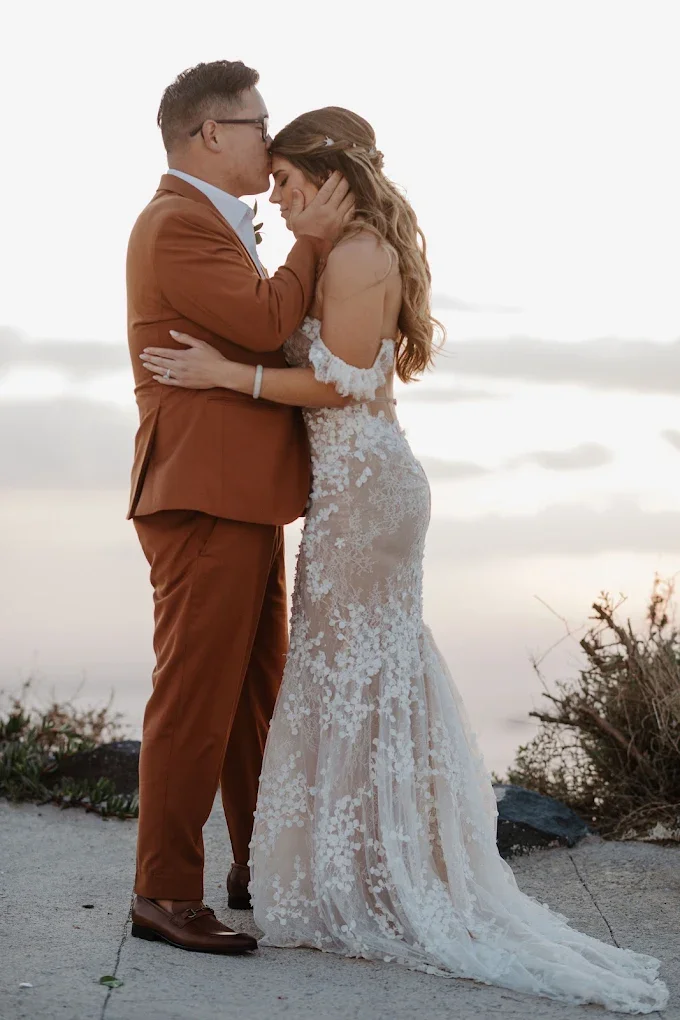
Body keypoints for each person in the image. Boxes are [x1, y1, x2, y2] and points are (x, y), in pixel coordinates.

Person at [139, 107, 669, 1011]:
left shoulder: (352, 255)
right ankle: (341, 864)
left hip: (367, 493)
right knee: (353, 676)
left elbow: (339, 379)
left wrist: (229, 374)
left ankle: (369, 871)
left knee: (357, 675)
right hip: (344, 493)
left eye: (291, 182)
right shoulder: (311, 247)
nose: (279, 194)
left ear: (332, 181)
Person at [126, 61, 353, 954]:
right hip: (202, 493)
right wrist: (314, 242)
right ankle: (164, 891)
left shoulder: (213, 220)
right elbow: (263, 322)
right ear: (212, 133)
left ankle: (261, 866)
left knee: (254, 694)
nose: (271, 136)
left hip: (243, 494)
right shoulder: (175, 223)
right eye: (260, 123)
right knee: (195, 698)